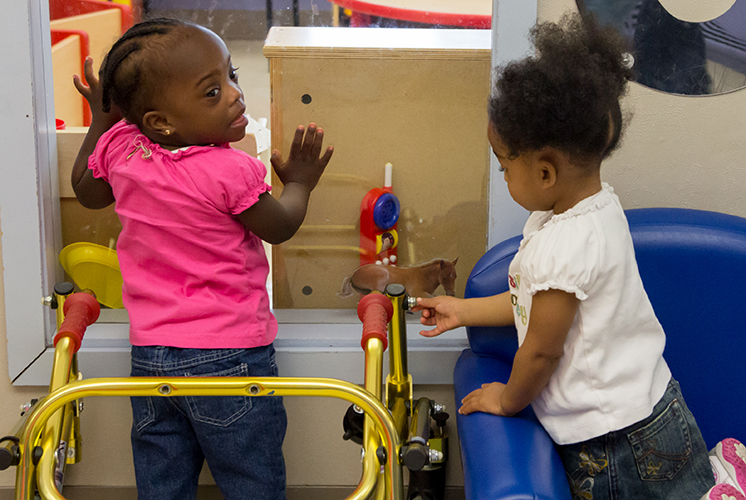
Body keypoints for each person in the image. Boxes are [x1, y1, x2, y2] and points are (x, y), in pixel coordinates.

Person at [413, 13, 738, 500]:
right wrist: (465, 311)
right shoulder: (596, 209)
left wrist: (508, 399)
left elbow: (542, 350)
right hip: (659, 414)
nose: (502, 178)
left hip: (618, 446)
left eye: (504, 167)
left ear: (545, 173)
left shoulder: (562, 247)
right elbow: (531, 302)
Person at [70, 18, 333, 500]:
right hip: (231, 356)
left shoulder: (124, 150)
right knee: (251, 481)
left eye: (230, 75)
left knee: (162, 484)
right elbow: (280, 226)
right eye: (212, 92)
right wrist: (299, 182)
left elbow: (86, 192)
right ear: (161, 121)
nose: (235, 94)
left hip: (152, 357)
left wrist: (103, 120)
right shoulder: (230, 170)